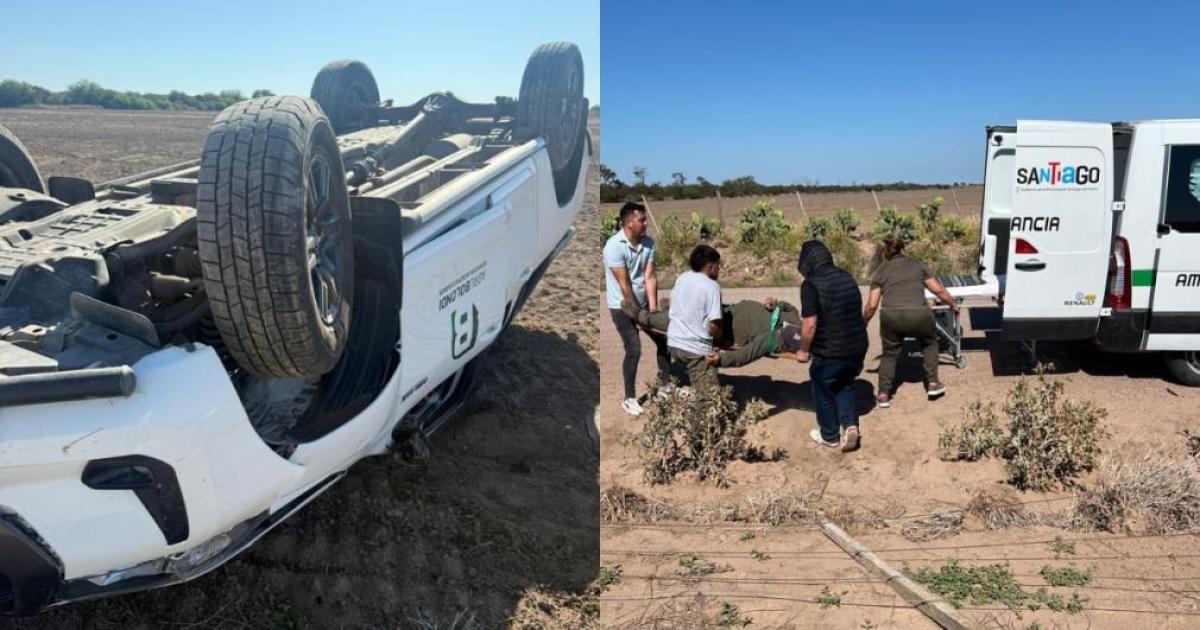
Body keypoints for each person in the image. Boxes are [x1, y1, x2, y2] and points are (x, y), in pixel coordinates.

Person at [862, 238, 960, 408]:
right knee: (929, 343)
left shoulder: (881, 271)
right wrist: (953, 304)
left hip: (891, 316)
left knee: (889, 354)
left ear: (886, 254)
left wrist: (863, 323)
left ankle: (883, 394)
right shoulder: (917, 265)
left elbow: (872, 305)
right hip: (919, 314)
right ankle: (933, 383)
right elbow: (937, 289)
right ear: (903, 250)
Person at [795, 240, 869, 453]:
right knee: (843, 383)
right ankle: (850, 425)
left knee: (822, 386)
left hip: (831, 351)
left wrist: (803, 350)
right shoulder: (846, 277)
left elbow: (810, 323)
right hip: (856, 346)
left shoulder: (811, 284)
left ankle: (829, 436)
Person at [604, 201, 669, 416]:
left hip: (643, 304)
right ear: (629, 223)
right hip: (622, 306)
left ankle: (665, 386)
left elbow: (650, 277)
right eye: (642, 220)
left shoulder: (648, 243)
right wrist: (635, 314)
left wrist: (652, 311)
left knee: (664, 339)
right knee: (634, 349)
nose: (646, 223)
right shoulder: (614, 247)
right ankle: (629, 398)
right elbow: (624, 284)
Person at [624, 297, 805, 366]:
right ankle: (672, 308)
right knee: (702, 302)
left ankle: (643, 316)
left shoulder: (772, 340)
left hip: (722, 328)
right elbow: (787, 306)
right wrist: (774, 302)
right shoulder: (796, 317)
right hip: (731, 309)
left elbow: (744, 355)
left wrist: (721, 360)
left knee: (688, 323)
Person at [665, 244, 723, 389]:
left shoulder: (682, 278)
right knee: (709, 396)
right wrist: (720, 342)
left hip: (674, 344)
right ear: (710, 267)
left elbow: (671, 303)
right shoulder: (712, 287)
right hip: (695, 348)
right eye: (718, 265)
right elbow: (714, 325)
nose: (719, 269)